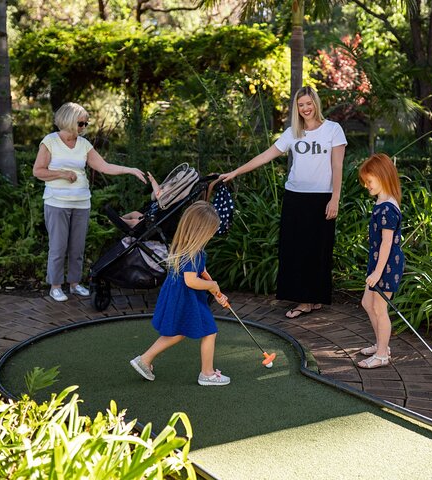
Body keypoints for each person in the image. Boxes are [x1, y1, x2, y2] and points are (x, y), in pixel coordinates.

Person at [220, 86, 347, 319]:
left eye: (309, 103)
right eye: (301, 105)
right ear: (296, 108)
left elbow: (337, 166)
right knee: (296, 249)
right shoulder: (292, 133)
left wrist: (335, 198)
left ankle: (313, 298)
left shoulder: (333, 129)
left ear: (316, 103)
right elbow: (265, 156)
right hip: (295, 197)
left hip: (321, 198)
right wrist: (235, 172)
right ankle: (304, 301)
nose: (305, 108)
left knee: (318, 249)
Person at [33, 102, 146, 302]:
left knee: (77, 248)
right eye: (81, 123)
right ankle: (55, 286)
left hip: (81, 203)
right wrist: (62, 174)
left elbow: (104, 166)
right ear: (69, 121)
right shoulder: (50, 141)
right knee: (58, 247)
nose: (84, 127)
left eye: (86, 123)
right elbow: (38, 171)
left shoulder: (84, 144)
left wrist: (130, 170)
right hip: (56, 203)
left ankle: (75, 284)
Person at [130, 201, 231, 386]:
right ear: (201, 231)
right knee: (209, 331)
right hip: (186, 298)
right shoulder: (193, 253)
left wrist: (216, 291)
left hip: (182, 296)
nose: (212, 235)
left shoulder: (188, 248)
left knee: (178, 332)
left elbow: (202, 271)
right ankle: (207, 374)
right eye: (211, 231)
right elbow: (191, 281)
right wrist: (212, 285)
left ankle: (144, 360)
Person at [356, 153, 405, 369]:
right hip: (378, 262)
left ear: (383, 176)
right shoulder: (383, 202)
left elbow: (387, 243)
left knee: (379, 308)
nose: (366, 186)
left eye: (369, 181)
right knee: (368, 303)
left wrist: (377, 272)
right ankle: (381, 344)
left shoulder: (387, 208)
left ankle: (383, 355)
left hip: (386, 265)